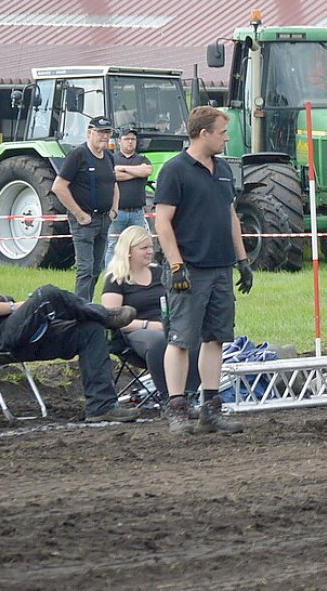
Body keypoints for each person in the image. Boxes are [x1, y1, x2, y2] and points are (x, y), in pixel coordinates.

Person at [0, 234, 140, 423]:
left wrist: (20, 307)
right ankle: (104, 314)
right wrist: (14, 306)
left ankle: (101, 407)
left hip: (7, 333)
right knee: (47, 294)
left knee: (90, 330)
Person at [153, 105, 256, 436]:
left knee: (216, 339)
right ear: (204, 134)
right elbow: (162, 222)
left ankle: (211, 410)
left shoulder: (224, 169)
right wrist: (176, 265)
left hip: (221, 267)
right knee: (181, 339)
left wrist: (243, 260)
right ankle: (177, 409)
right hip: (190, 268)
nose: (226, 138)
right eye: (222, 132)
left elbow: (231, 216)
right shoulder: (174, 170)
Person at [101, 224, 198, 405]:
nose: (149, 252)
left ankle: (189, 395)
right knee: (159, 341)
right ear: (128, 251)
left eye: (151, 247)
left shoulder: (160, 273)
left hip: (167, 327)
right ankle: (168, 399)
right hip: (132, 333)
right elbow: (110, 318)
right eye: (143, 248)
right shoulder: (116, 279)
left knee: (191, 338)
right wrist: (147, 325)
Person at [52, 115, 117, 301]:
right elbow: (58, 186)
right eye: (101, 132)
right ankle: (80, 309)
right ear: (89, 133)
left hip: (104, 219)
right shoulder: (78, 155)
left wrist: (114, 209)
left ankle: (87, 303)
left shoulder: (109, 157)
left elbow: (114, 184)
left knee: (97, 268)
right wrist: (79, 214)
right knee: (85, 269)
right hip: (84, 221)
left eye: (108, 133)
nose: (105, 137)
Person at [107, 125, 153, 267]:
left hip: (137, 212)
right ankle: (110, 277)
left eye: (133, 139)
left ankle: (136, 273)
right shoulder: (111, 158)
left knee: (138, 245)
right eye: (127, 139)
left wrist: (124, 169)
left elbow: (147, 171)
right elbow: (112, 175)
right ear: (119, 141)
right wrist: (135, 173)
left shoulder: (142, 159)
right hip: (117, 212)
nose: (130, 142)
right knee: (113, 245)